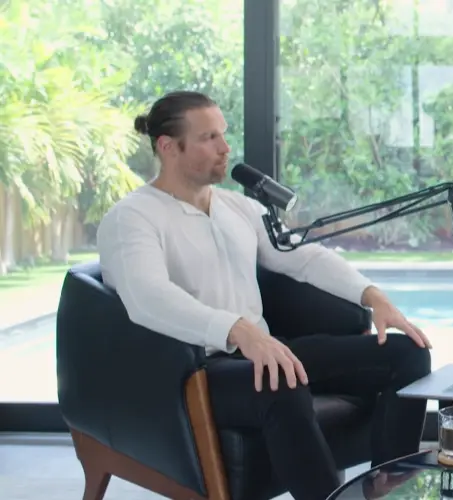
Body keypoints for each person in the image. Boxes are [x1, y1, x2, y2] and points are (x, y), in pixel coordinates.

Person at [96, 91, 433, 500]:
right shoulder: (132, 217)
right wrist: (238, 331)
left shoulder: (236, 207)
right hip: (196, 372)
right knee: (279, 382)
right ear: (168, 147)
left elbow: (303, 258)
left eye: (223, 134)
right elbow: (147, 296)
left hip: (266, 351)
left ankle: (385, 485)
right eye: (209, 138)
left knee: (408, 353)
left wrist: (372, 295)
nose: (225, 148)